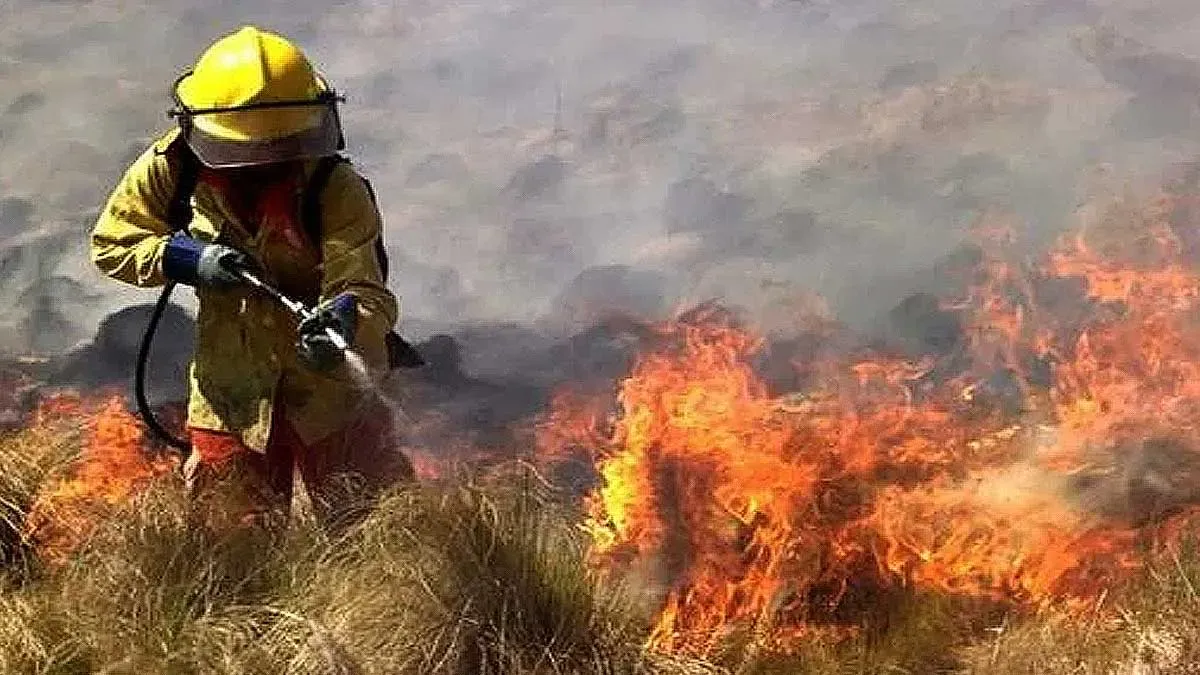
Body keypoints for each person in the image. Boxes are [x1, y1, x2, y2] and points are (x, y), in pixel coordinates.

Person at [90, 25, 412, 533]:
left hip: (333, 396)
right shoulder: (172, 168)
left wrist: (344, 322)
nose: (267, 162)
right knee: (233, 550)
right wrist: (185, 259)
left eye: (283, 145)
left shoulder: (334, 185)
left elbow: (365, 289)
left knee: (373, 536)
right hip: (231, 394)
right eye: (251, 150)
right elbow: (113, 242)